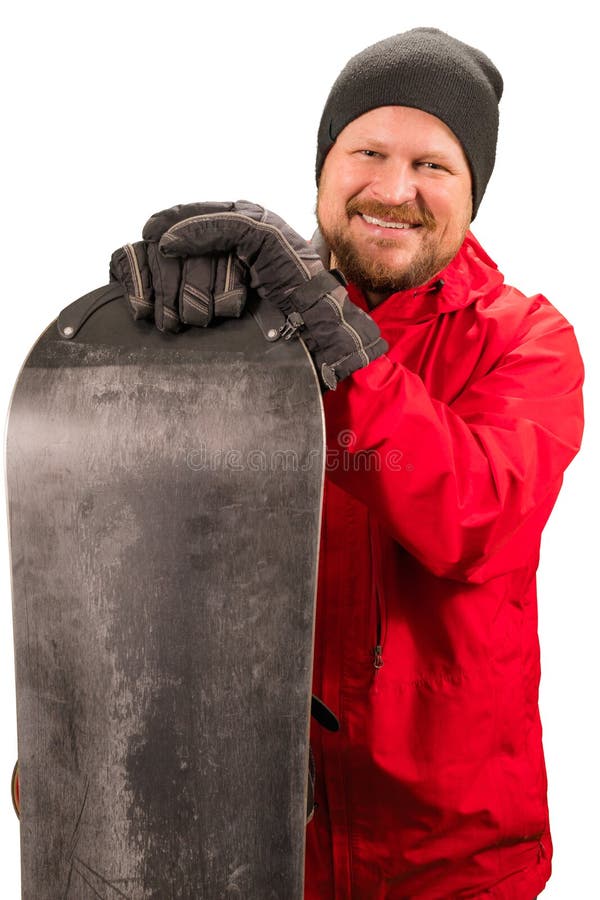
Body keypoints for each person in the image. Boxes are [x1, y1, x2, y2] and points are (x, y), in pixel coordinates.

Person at [110, 27, 584, 899]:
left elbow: (473, 517)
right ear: (324, 168)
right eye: (367, 151)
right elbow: (146, 551)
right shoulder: (249, 322)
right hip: (253, 838)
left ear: (473, 192)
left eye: (434, 166)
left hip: (451, 864)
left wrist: (341, 357)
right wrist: (149, 350)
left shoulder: (528, 342)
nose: (395, 190)